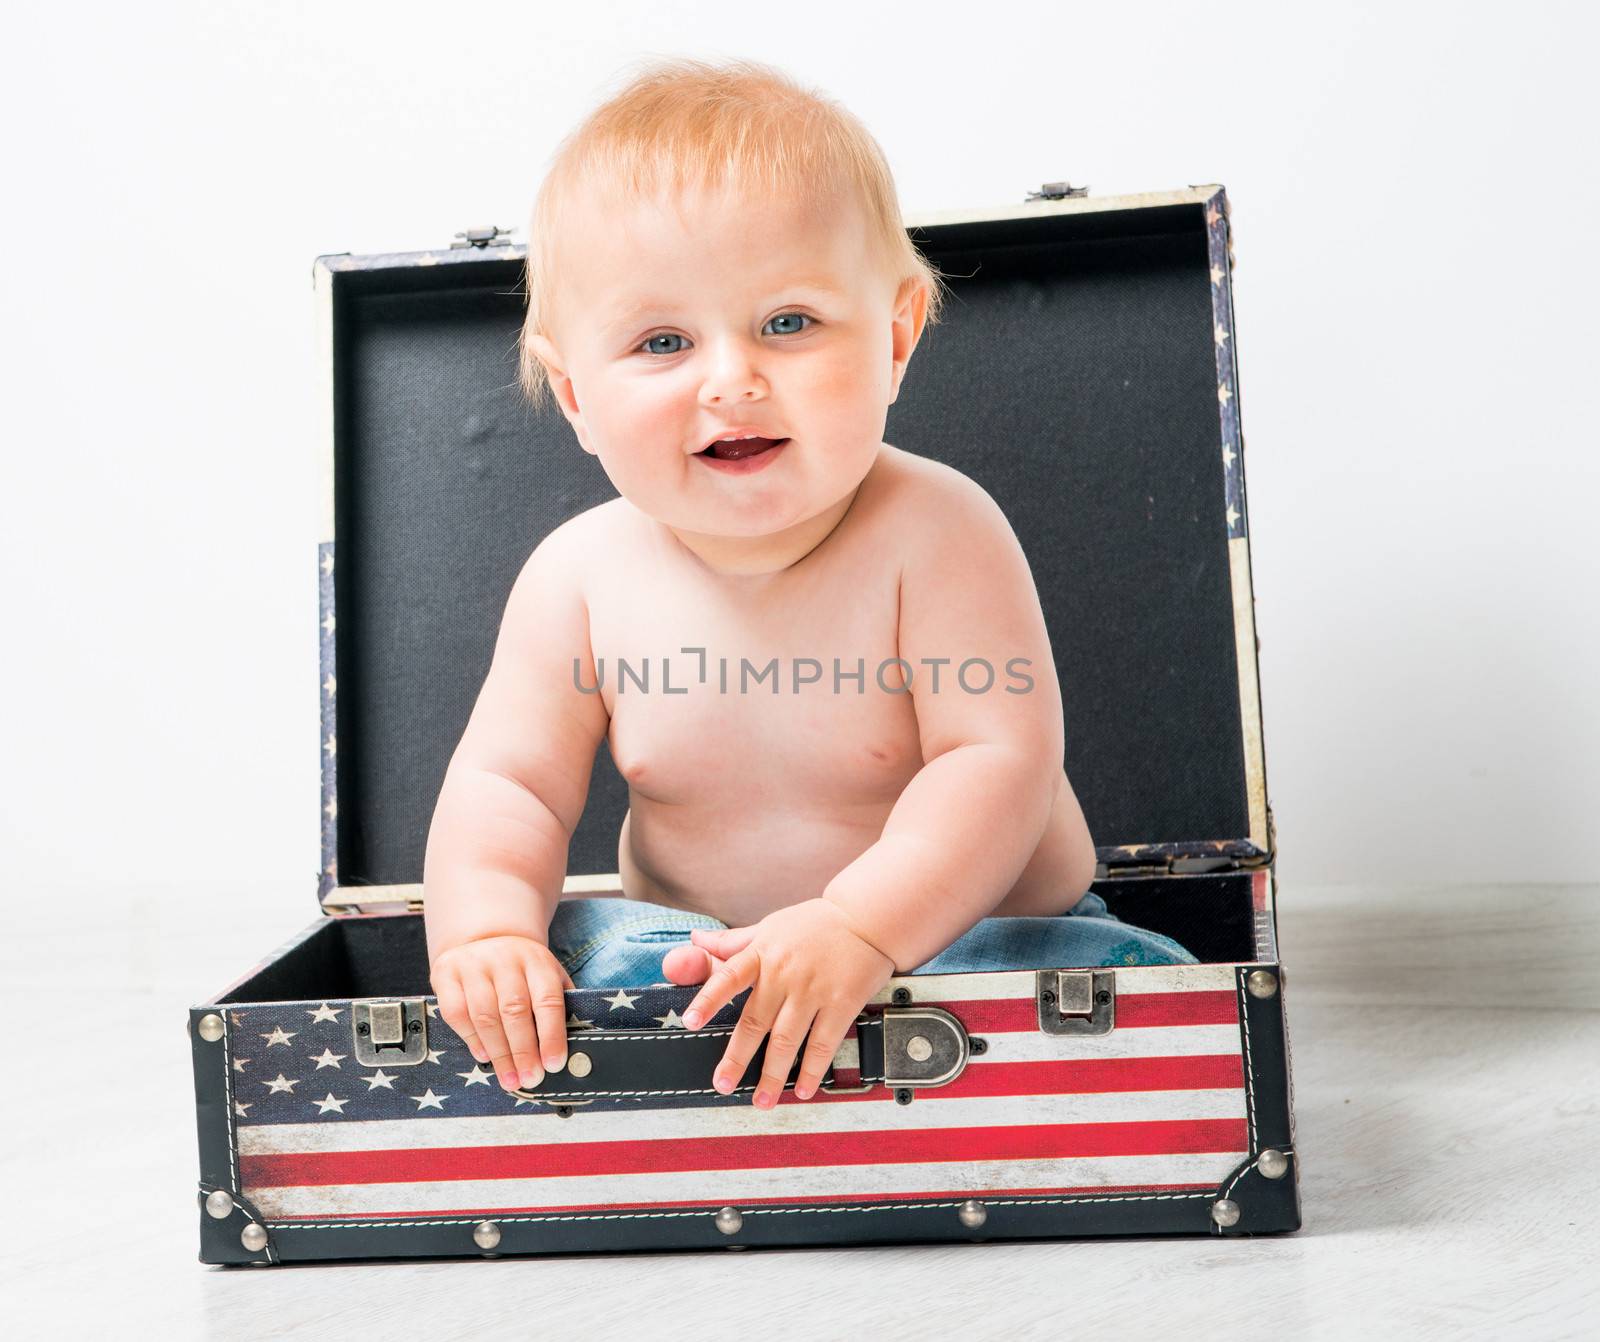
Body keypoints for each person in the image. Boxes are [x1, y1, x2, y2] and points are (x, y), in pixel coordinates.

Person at [422, 56, 1193, 1112]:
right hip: (695, 955)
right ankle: (716, 1041)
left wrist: (861, 930)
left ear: (894, 337)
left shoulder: (937, 529)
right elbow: (508, 785)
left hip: (972, 937)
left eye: (787, 322)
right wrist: (488, 933)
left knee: (1132, 983)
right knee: (601, 968)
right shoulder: (581, 577)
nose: (731, 376)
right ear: (576, 396)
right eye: (661, 341)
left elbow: (997, 761)